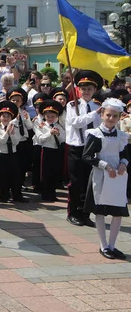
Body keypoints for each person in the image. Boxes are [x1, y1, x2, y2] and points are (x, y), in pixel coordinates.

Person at [82, 98, 129, 260]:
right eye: (108, 115)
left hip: (117, 176)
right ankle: (103, 245)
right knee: (100, 211)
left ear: (118, 117)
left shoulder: (122, 136)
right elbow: (87, 156)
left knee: (118, 212)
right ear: (102, 114)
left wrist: (124, 163)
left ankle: (112, 245)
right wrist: (104, 165)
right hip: (101, 175)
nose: (111, 118)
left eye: (115, 116)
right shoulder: (95, 134)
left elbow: (125, 154)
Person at [66, 69, 103, 227]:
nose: (86, 92)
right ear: (78, 90)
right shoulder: (72, 105)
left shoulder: (98, 107)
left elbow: (100, 127)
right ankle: (73, 212)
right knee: (76, 181)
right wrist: (94, 114)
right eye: (83, 89)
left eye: (89, 89)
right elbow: (76, 122)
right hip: (76, 147)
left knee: (89, 182)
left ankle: (85, 213)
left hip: (91, 148)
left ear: (94, 90)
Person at [0, 101, 27, 203]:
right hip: (1, 154)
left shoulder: (14, 127)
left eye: (8, 116)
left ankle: (16, 195)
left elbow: (16, 142)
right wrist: (6, 132)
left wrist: (12, 134)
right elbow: (1, 141)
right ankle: (4, 196)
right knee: (2, 177)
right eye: (3, 116)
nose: (5, 118)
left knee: (15, 176)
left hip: (12, 153)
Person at [34, 99, 65, 202]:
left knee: (54, 173)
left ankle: (52, 193)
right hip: (46, 150)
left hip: (55, 151)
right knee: (45, 173)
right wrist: (49, 133)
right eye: (48, 116)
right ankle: (45, 193)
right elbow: (40, 139)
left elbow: (64, 139)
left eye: (53, 116)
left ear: (56, 116)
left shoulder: (58, 126)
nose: (50, 118)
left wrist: (58, 134)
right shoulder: (41, 126)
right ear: (44, 116)